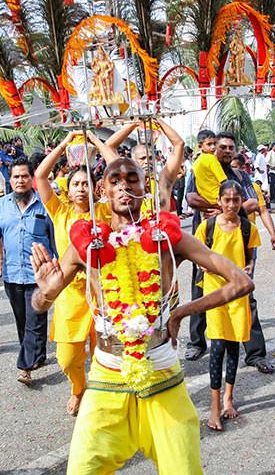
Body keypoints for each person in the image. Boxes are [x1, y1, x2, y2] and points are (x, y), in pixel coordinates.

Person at [29, 157, 254, 475]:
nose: (124, 186)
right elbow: (40, 304)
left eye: (131, 179)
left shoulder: (166, 239)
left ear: (144, 187)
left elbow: (241, 282)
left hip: (161, 374)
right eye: (115, 181)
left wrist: (180, 313)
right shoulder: (87, 246)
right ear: (103, 191)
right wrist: (45, 290)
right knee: (81, 469)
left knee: (184, 470)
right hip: (107, 375)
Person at [185, 133, 275, 373]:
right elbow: (190, 197)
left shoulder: (240, 176)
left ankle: (255, 354)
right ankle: (196, 344)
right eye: (220, 146)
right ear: (213, 150)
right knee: (200, 292)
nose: (225, 150)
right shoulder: (201, 169)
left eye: (229, 147)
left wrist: (228, 211)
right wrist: (215, 208)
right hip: (206, 242)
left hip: (236, 245)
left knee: (246, 297)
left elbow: (253, 202)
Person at [35, 131, 111, 415]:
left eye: (85, 184)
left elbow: (114, 167)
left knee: (105, 352)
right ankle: (79, 388)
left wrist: (95, 142)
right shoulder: (60, 212)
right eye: (76, 184)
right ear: (68, 191)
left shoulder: (104, 212)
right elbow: (40, 177)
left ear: (96, 189)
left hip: (101, 291)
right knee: (67, 359)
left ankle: (102, 394)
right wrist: (66, 143)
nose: (80, 188)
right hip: (69, 293)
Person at [0, 157, 56, 386]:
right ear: (10, 180)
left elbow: (56, 238)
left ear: (32, 179)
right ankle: (36, 355)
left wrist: (60, 267)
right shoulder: (2, 205)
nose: (20, 180)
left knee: (34, 320)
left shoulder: (45, 204)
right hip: (12, 275)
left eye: (25, 176)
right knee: (24, 321)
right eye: (16, 177)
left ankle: (25, 367)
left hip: (39, 275)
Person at [195, 180, 261, 431]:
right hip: (215, 293)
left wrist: (249, 269)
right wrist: (214, 269)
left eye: (236, 200)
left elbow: (251, 257)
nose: (231, 204)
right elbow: (199, 258)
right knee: (218, 345)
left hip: (238, 294)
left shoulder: (247, 227)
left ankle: (228, 398)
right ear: (219, 201)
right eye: (227, 200)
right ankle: (214, 405)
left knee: (234, 344)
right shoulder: (207, 226)